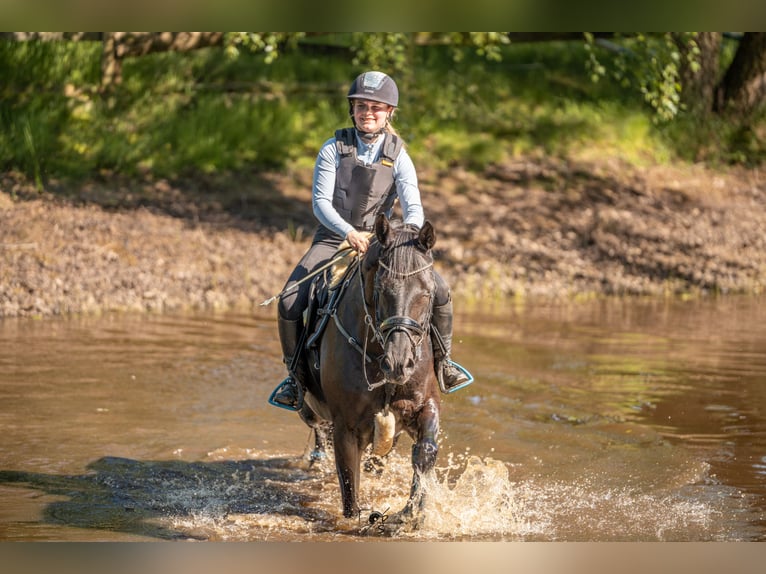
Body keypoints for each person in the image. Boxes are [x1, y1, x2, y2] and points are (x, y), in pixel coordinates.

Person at [270, 70, 469, 411]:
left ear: (389, 112)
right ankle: (296, 378)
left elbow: (413, 208)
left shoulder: (399, 155)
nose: (368, 112)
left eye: (376, 107)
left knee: (439, 290)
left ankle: (445, 364)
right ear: (353, 109)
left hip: (384, 238)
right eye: (362, 105)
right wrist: (348, 232)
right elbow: (320, 202)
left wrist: (403, 239)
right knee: (289, 301)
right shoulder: (333, 148)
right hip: (334, 237)